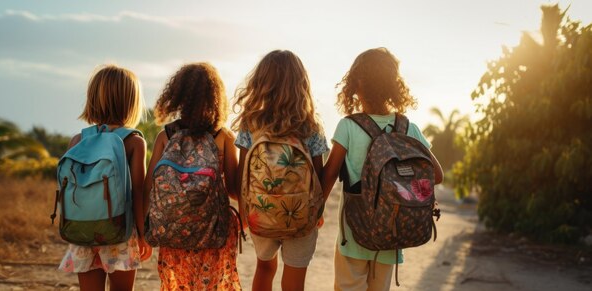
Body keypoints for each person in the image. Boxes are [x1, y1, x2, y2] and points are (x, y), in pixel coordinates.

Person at [322, 47, 444, 291]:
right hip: (392, 234)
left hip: (354, 234)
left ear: (356, 85)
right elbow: (437, 175)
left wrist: (315, 212)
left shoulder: (348, 126)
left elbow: (329, 176)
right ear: (393, 85)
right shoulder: (408, 127)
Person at [232, 50, 328, 291]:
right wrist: (317, 210)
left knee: (264, 267)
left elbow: (243, 174)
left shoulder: (250, 123)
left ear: (261, 83)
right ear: (301, 84)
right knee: (295, 275)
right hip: (300, 213)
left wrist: (245, 209)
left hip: (261, 210)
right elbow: (318, 176)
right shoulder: (311, 125)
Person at [144, 62, 242, 290]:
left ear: (178, 95)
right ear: (216, 96)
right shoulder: (223, 137)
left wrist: (144, 230)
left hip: (173, 231)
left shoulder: (166, 136)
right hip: (213, 232)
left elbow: (150, 186)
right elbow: (235, 190)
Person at [58, 64, 152, 291]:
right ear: (131, 102)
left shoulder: (77, 141)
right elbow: (138, 192)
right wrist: (143, 235)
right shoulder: (133, 141)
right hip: (119, 231)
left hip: (83, 231)